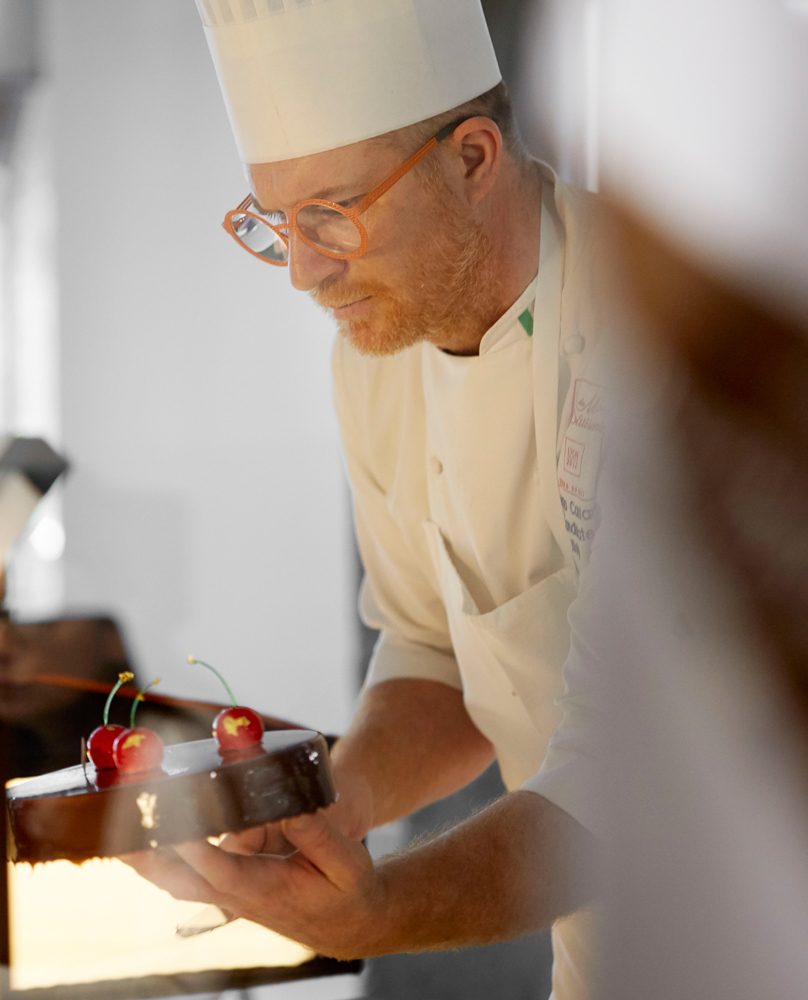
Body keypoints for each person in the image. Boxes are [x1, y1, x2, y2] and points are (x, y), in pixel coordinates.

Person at [127, 3, 602, 997]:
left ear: (472, 157)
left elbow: (647, 782)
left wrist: (379, 909)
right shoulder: (379, 359)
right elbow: (435, 658)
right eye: (273, 223)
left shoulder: (648, 342)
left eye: (332, 212)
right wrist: (311, 807)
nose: (303, 272)